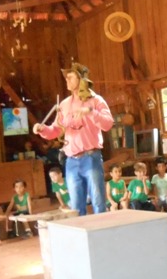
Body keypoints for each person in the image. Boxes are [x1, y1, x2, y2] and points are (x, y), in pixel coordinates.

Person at [33, 62, 114, 215]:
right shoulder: (64, 104)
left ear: (80, 79)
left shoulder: (96, 100)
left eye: (70, 77)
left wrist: (90, 111)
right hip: (71, 160)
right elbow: (56, 129)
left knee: (98, 201)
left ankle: (102, 229)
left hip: (91, 157)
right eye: (66, 78)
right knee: (76, 206)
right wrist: (43, 130)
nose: (67, 80)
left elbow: (108, 124)